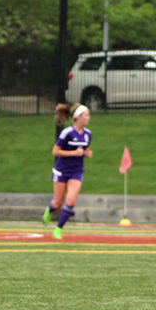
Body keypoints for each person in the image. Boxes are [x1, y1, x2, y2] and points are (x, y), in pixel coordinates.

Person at [41, 103, 92, 240]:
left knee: (70, 201)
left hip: (76, 171)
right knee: (58, 203)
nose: (88, 118)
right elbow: (55, 151)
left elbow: (85, 149)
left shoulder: (88, 134)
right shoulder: (67, 133)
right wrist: (74, 153)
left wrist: (86, 153)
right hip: (61, 171)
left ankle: (58, 230)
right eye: (86, 115)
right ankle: (49, 209)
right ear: (78, 117)